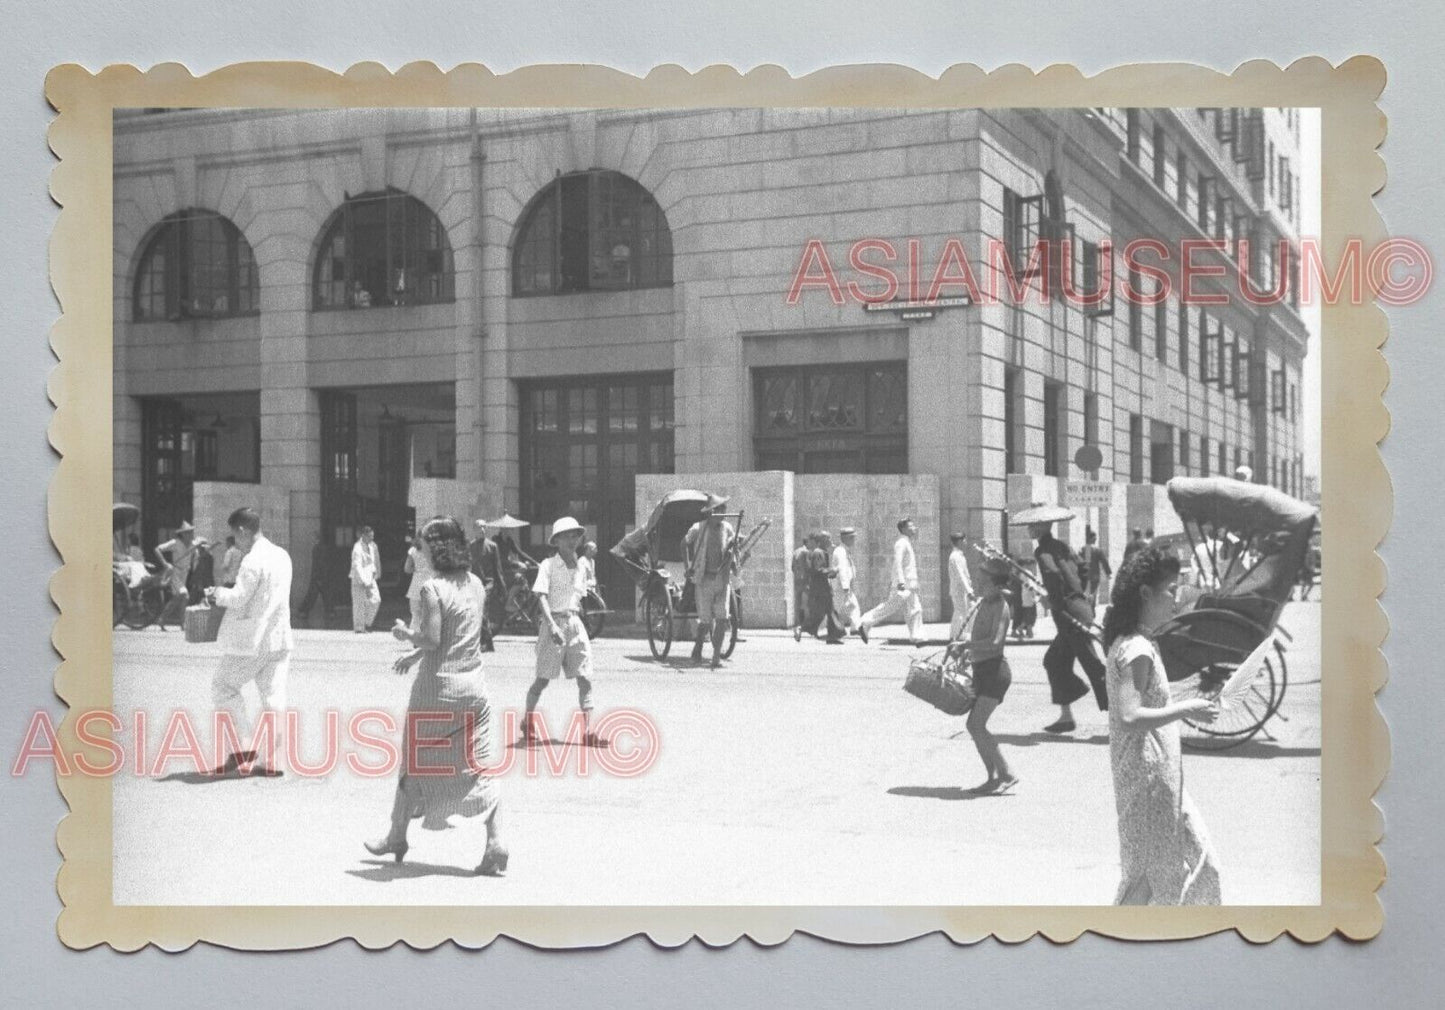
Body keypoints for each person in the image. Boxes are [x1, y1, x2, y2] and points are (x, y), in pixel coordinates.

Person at [366, 515, 508, 877]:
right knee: (476, 767)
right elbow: (460, 636)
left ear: (437, 548)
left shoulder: (432, 588)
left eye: (422, 544)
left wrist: (405, 635)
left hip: (437, 690)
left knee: (413, 760)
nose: (418, 550)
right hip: (475, 689)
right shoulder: (475, 583)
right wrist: (417, 652)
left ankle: (397, 835)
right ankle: (496, 841)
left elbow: (431, 638)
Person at [1103, 545, 1222, 905]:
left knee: (1195, 867)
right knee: (1149, 881)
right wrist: (1188, 709)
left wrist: (1189, 701)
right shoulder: (1136, 648)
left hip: (1162, 781)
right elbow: (1130, 715)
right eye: (1171, 589)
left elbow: (1149, 703)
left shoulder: (1139, 642)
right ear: (1145, 594)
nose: (1177, 598)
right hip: (1148, 784)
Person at [203, 507, 293, 777]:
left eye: (236, 535)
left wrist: (216, 594)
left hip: (254, 641)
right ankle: (273, 762)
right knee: (274, 697)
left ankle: (242, 746)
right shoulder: (282, 555)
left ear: (243, 530)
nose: (236, 542)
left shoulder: (253, 560)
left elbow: (239, 597)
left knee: (223, 686)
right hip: (281, 638)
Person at [1021, 505, 1108, 734]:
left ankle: (1121, 717)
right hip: (1079, 608)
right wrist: (1085, 597)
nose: (1029, 528)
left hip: (1069, 614)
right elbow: (1084, 570)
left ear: (1042, 526)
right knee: (1054, 661)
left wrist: (1053, 599)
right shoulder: (1063, 546)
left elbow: (1053, 575)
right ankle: (1066, 716)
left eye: (1032, 525)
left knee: (1094, 667)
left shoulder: (1043, 551)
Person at [519, 517, 603, 745]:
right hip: (553, 624)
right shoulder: (547, 565)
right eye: (566, 536)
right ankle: (527, 720)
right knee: (543, 680)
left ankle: (589, 732)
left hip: (575, 624)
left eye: (575, 535)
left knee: (585, 677)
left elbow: (582, 596)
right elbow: (541, 597)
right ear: (556, 541)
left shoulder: (583, 565)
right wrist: (552, 625)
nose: (572, 540)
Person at [954, 556, 1016, 795]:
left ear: (997, 585)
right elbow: (979, 639)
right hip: (982, 670)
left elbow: (995, 642)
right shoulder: (984, 604)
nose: (980, 586)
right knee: (974, 726)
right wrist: (963, 649)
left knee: (976, 725)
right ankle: (993, 778)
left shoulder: (1001, 607)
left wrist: (967, 647)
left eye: (984, 582)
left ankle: (1006, 773)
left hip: (995, 673)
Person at [684, 495, 737, 668]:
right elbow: (683, 544)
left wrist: (736, 552)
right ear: (712, 512)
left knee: (722, 617)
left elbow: (733, 544)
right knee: (705, 621)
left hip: (722, 578)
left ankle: (716, 656)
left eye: (724, 510)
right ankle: (698, 647)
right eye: (720, 510)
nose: (723, 514)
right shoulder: (698, 528)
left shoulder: (727, 528)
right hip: (703, 578)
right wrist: (688, 566)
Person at [858, 518, 924, 647]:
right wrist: (900, 583)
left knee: (915, 609)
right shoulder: (901, 543)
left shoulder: (906, 542)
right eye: (911, 526)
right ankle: (865, 621)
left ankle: (917, 637)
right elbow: (898, 564)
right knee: (891, 607)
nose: (914, 528)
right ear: (904, 529)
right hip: (903, 584)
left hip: (908, 584)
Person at [154, 520, 206, 630]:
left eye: (191, 532)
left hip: (185, 573)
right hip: (175, 572)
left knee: (181, 597)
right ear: (182, 534)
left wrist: (201, 549)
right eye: (187, 533)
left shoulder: (193, 544)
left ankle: (166, 620)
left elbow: (197, 556)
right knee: (184, 594)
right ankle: (177, 621)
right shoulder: (175, 543)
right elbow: (157, 549)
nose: (189, 535)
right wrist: (165, 563)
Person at [804, 530, 844, 644]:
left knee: (829, 612)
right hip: (820, 590)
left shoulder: (822, 552)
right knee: (820, 614)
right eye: (828, 539)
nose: (830, 541)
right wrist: (832, 570)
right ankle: (802, 629)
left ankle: (833, 636)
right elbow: (818, 570)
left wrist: (831, 573)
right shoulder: (818, 553)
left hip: (823, 589)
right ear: (822, 541)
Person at [403, 531, 437, 633]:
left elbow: (407, 569)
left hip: (416, 582)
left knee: (415, 612)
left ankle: (415, 636)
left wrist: (417, 569)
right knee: (430, 612)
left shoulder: (413, 550)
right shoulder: (433, 551)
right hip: (431, 581)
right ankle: (427, 636)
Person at [830, 528, 862, 637]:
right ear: (845, 539)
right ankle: (852, 629)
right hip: (840, 587)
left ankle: (852, 628)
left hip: (843, 587)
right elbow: (842, 569)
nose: (854, 540)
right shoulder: (840, 551)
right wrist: (845, 586)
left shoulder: (844, 550)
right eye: (852, 538)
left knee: (848, 608)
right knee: (843, 608)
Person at [349, 525, 381, 633]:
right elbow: (357, 566)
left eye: (372, 536)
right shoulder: (357, 548)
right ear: (363, 536)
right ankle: (359, 627)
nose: (372, 539)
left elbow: (372, 562)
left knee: (376, 600)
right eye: (370, 536)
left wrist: (374, 573)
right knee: (359, 604)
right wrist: (364, 581)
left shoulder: (371, 546)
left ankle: (366, 622)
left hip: (370, 577)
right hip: (359, 579)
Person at [294, 534, 332, 623]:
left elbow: (318, 564)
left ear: (316, 539)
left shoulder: (317, 549)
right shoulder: (324, 548)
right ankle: (330, 612)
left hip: (317, 576)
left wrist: (317, 576)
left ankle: (303, 611)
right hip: (323, 576)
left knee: (312, 595)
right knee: (326, 595)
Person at [946, 532, 975, 641]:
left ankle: (955, 635)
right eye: (964, 540)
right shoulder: (955, 556)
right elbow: (960, 575)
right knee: (960, 612)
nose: (965, 542)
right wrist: (969, 591)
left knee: (965, 611)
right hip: (959, 589)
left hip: (962, 589)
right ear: (959, 541)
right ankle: (958, 635)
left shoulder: (958, 555)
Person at [1078, 528, 1112, 605]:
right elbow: (1104, 561)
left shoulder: (1082, 549)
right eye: (1095, 538)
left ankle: (1087, 604)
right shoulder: (1097, 550)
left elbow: (1078, 561)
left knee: (1086, 591)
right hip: (1095, 575)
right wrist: (1108, 573)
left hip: (1085, 575)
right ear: (1092, 538)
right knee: (1093, 592)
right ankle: (1092, 605)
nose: (1096, 539)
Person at [790, 533, 814, 642]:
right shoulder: (806, 552)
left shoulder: (796, 551)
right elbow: (809, 567)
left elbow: (792, 567)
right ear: (807, 542)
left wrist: (797, 575)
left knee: (798, 604)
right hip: (805, 581)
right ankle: (806, 626)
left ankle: (798, 627)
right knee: (809, 603)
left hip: (797, 581)